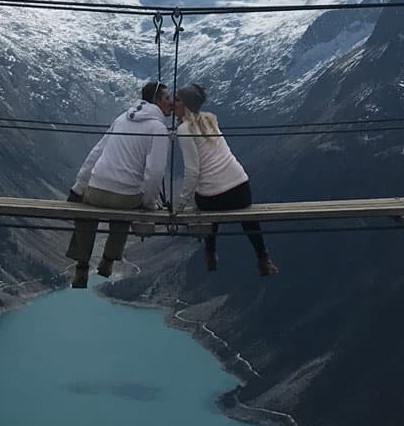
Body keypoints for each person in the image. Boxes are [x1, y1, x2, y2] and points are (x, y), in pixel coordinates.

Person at [64, 81, 176, 288]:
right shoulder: (158, 128)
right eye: (168, 98)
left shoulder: (121, 119)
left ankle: (81, 266)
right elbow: (155, 172)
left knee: (87, 211)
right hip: (125, 198)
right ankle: (108, 260)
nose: (172, 103)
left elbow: (96, 153)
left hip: (96, 188)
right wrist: (148, 202)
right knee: (128, 206)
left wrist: (78, 188)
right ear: (157, 101)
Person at [173, 83, 278, 276]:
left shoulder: (184, 130)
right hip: (242, 189)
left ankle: (210, 251)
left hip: (213, 199)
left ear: (186, 104)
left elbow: (192, 170)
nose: (173, 103)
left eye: (177, 99)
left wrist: (181, 203)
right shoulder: (211, 120)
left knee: (206, 196)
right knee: (244, 213)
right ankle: (263, 257)